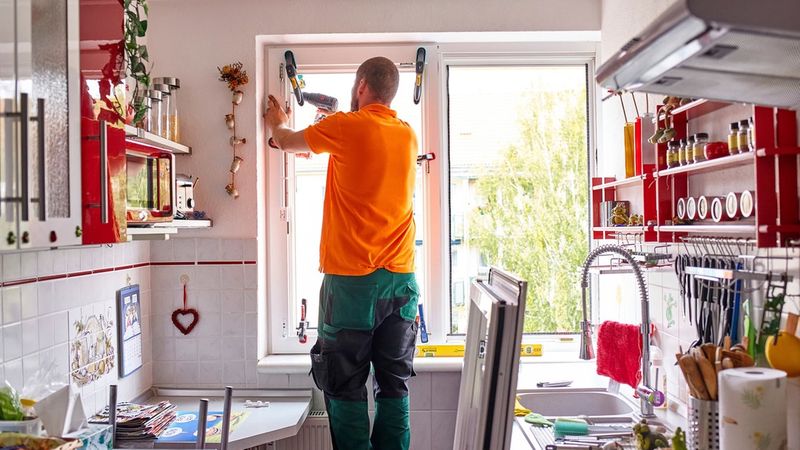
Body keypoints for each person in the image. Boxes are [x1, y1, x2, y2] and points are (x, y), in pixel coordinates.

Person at [264, 56, 419, 450]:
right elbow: (358, 159)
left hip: (352, 286)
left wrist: (276, 118)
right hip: (401, 284)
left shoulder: (346, 127)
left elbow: (283, 140)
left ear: (361, 84)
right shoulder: (406, 134)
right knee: (394, 386)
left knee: (346, 386)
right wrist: (326, 128)